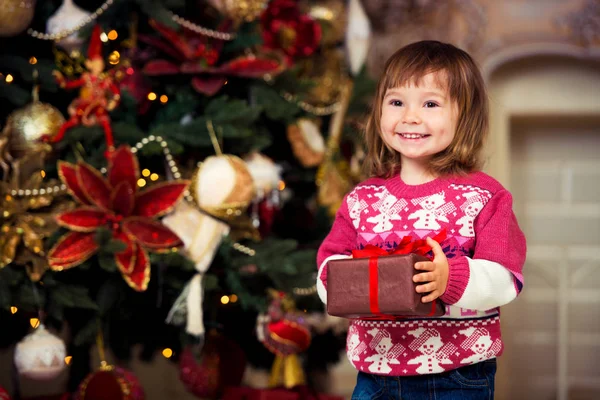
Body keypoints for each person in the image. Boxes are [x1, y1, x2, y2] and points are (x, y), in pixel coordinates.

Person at [316, 40, 526, 399]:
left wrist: (450, 279)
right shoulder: (361, 199)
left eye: (430, 104)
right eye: (396, 102)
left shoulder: (486, 196)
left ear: (465, 115)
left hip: (457, 375)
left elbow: (506, 279)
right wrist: (345, 283)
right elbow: (328, 266)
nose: (410, 117)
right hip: (375, 374)